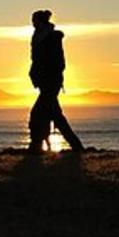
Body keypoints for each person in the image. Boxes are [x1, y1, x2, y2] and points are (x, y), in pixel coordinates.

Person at [27, 9, 84, 154]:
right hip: (45, 82)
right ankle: (76, 146)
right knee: (55, 115)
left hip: (50, 83)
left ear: (40, 21)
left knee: (37, 114)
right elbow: (36, 61)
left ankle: (36, 145)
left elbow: (58, 62)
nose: (32, 23)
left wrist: (46, 76)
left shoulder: (51, 38)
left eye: (34, 20)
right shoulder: (38, 37)